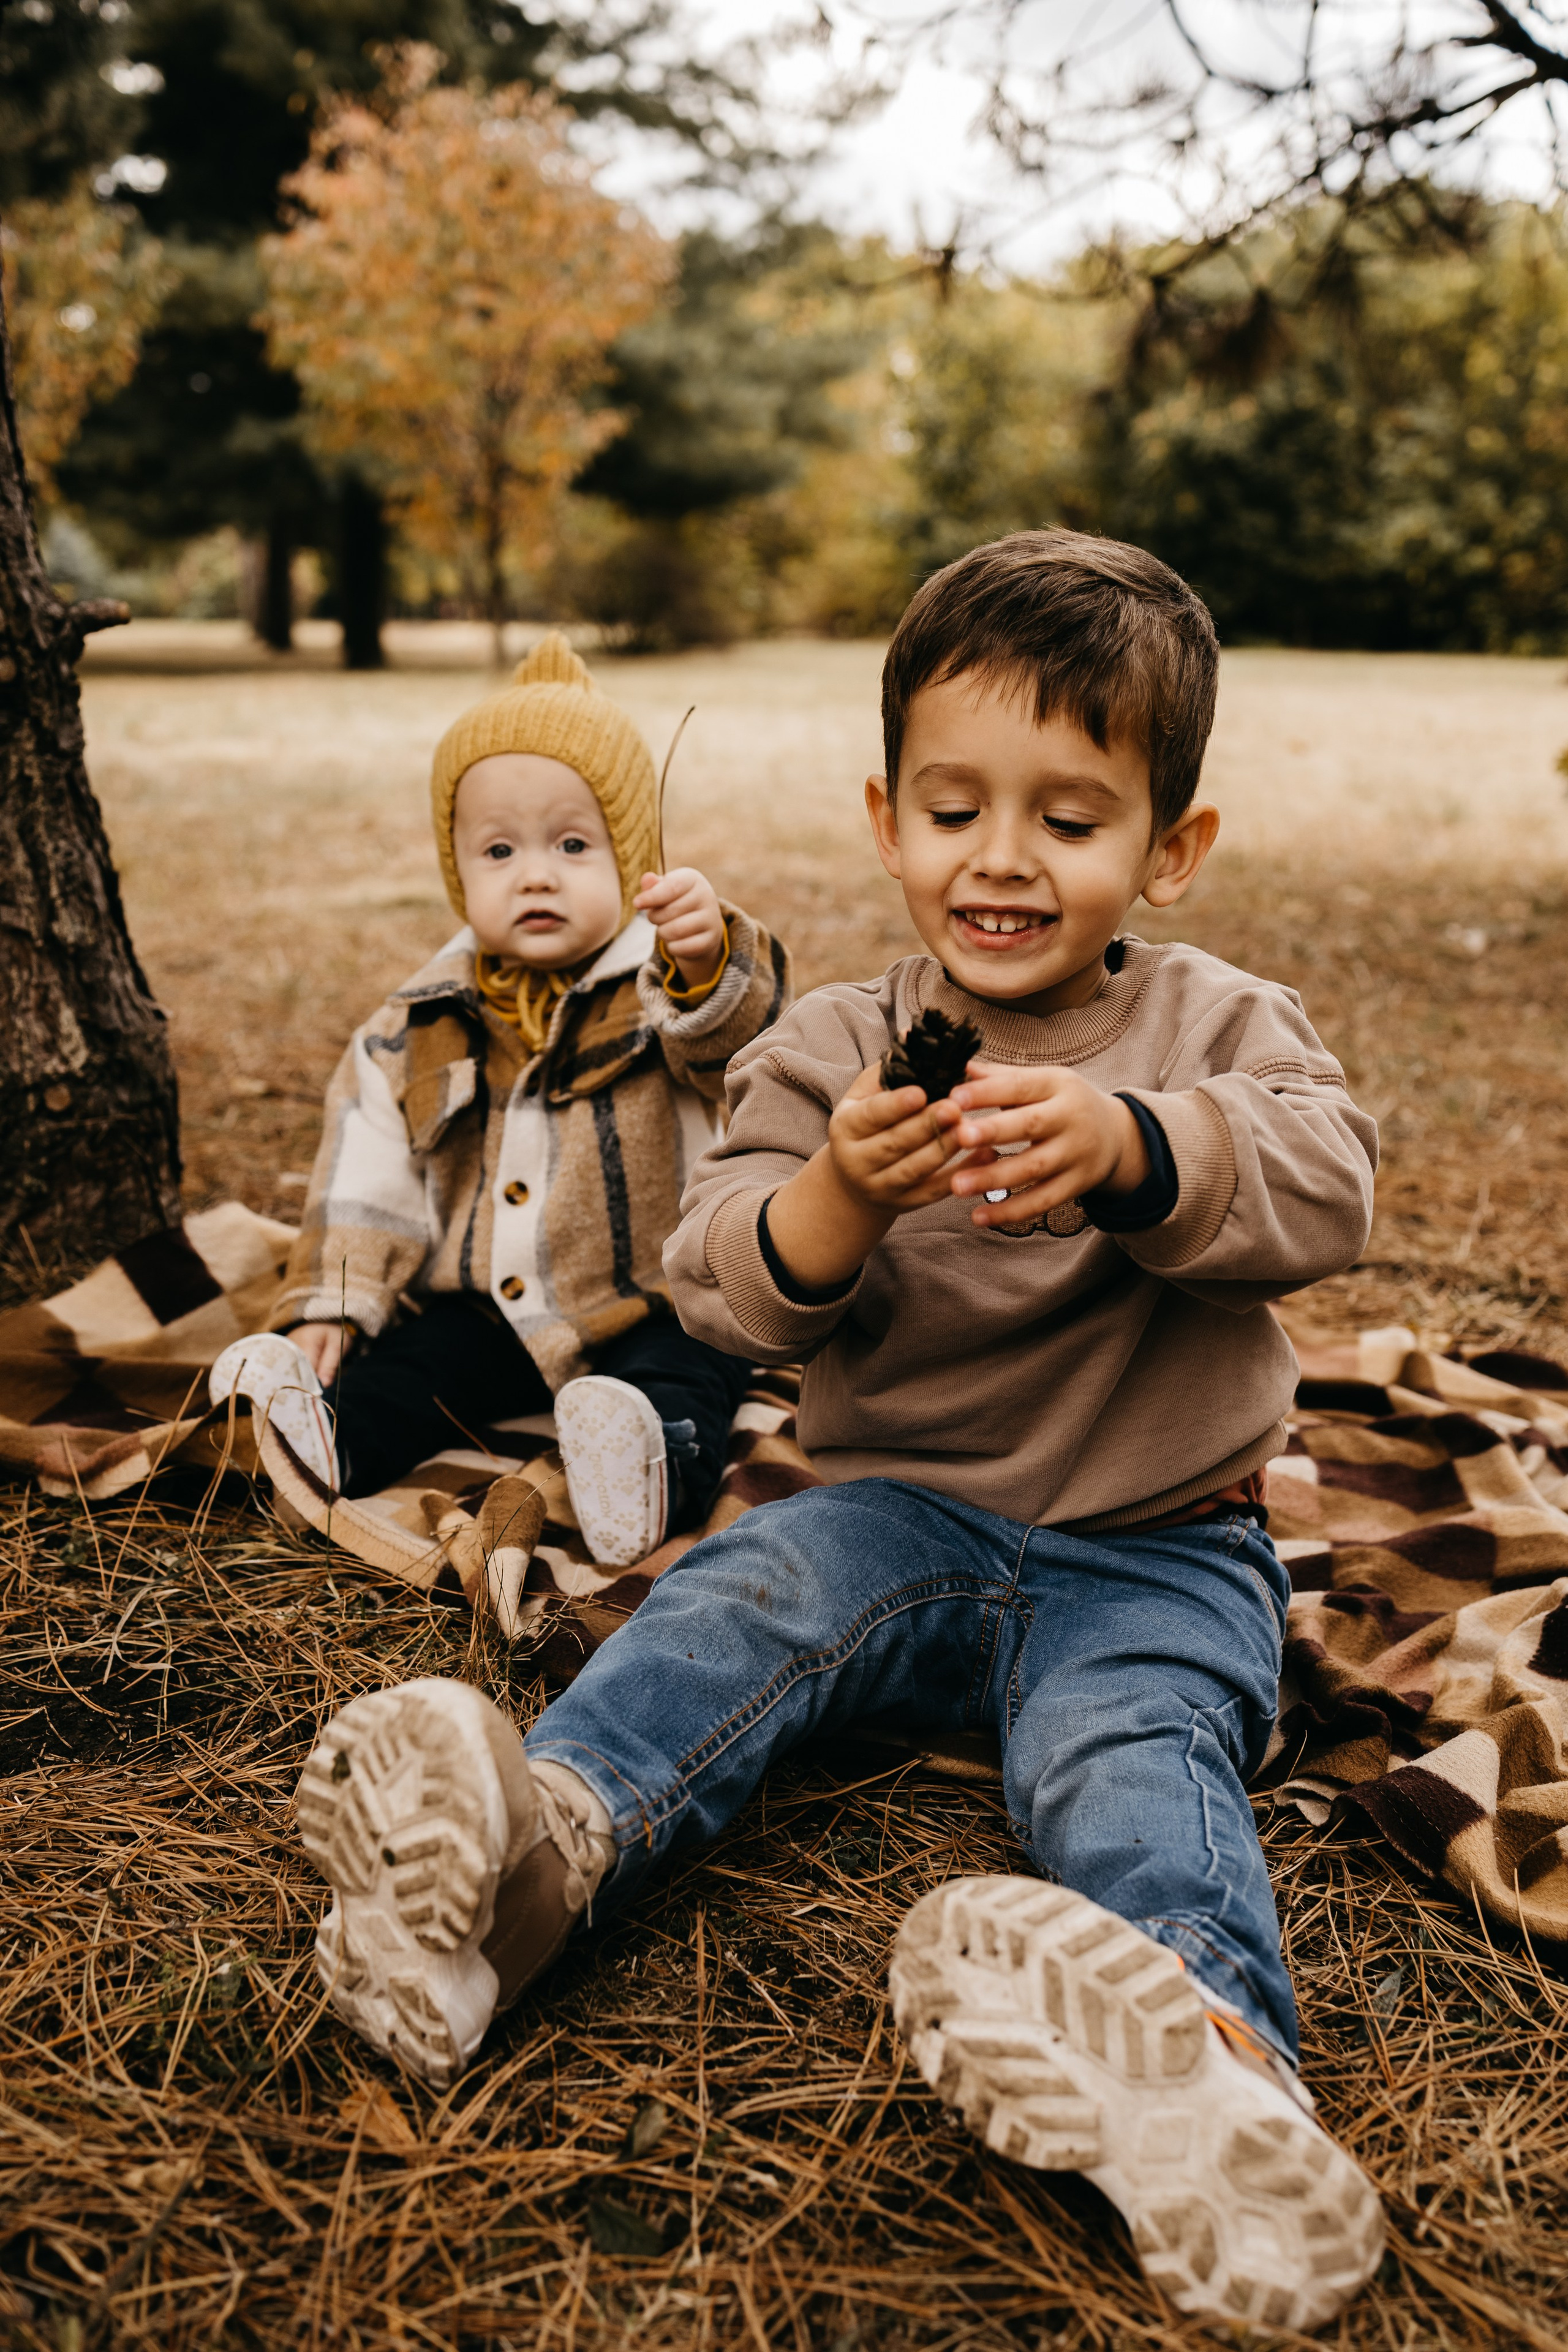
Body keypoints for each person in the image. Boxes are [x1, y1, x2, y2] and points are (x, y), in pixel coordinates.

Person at [288, 535, 1385, 2337]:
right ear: (889, 821)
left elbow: (1329, 1188)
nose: (1003, 858)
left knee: (1134, 1755)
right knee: (735, 1606)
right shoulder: (832, 1043)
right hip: (899, 1516)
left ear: (1168, 849)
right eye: (957, 807)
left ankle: (1209, 2068)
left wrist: (1136, 1150)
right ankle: (524, 1870)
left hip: (1157, 1545)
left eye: (1070, 815)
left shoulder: (1219, 1028)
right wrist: (838, 1209)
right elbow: (718, 1277)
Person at [211, 631, 790, 1567]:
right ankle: (328, 1439)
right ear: (458, 869)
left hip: (652, 1298)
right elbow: (369, 1162)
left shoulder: (666, 989)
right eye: (499, 849)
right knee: (412, 1369)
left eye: (572, 843)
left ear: (631, 856)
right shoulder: (420, 1020)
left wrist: (707, 960)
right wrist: (334, 1302)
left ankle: (643, 1469)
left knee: (689, 1379)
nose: (536, 873)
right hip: (488, 1306)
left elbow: (745, 1053)